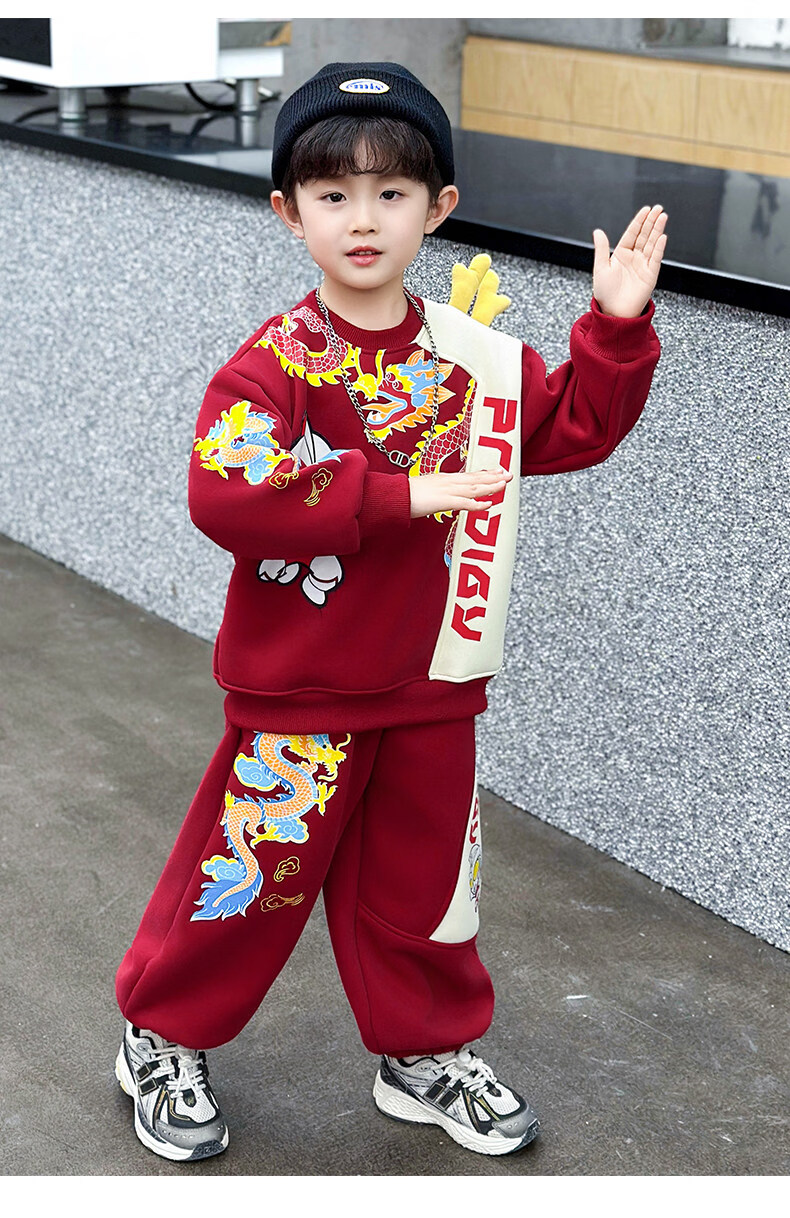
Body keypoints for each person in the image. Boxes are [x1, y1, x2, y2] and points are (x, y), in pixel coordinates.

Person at [113, 61, 666, 1163]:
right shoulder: (274, 364)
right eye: (333, 194)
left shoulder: (473, 360)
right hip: (304, 691)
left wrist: (613, 325)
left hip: (432, 683)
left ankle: (423, 1053)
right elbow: (227, 489)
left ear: (438, 208)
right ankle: (160, 1034)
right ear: (289, 212)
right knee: (249, 880)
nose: (362, 219)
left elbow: (571, 427)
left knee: (425, 892)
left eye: (391, 192)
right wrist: (401, 494)